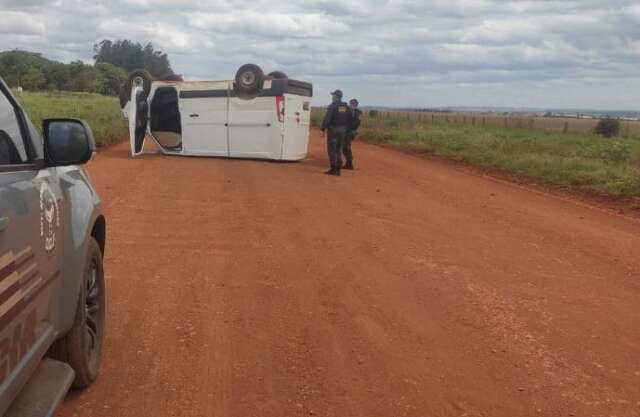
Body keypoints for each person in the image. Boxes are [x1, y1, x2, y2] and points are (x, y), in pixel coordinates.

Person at [320, 90, 351, 176]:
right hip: (343, 130)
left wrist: (323, 128)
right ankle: (338, 167)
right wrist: (346, 128)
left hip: (333, 130)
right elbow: (349, 118)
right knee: (338, 149)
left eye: (333, 95)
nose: (332, 97)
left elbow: (328, 118)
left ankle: (334, 169)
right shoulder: (346, 107)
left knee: (332, 149)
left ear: (336, 96)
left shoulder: (333, 106)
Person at [343, 98, 361, 170]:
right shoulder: (357, 112)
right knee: (345, 147)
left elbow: (356, 123)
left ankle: (349, 163)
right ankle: (348, 163)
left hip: (349, 132)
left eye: (351, 104)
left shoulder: (355, 112)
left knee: (346, 147)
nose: (350, 105)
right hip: (351, 131)